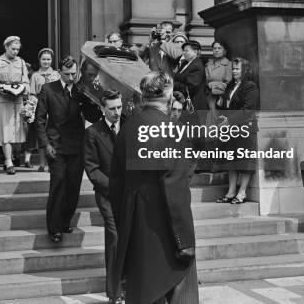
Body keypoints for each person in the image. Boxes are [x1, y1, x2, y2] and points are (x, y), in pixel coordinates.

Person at [110, 72, 198, 304]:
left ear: (143, 96)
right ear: (169, 96)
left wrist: (125, 222)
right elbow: (175, 189)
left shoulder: (126, 129)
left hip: (133, 225)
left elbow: (116, 183)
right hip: (166, 232)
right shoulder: (172, 129)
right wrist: (185, 240)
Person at [35, 55, 101, 242]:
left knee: (73, 187)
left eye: (74, 73)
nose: (71, 77)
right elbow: (39, 121)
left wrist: (95, 99)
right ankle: (54, 228)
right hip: (55, 146)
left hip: (77, 146)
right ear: (59, 72)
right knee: (58, 186)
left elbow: (92, 115)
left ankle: (65, 222)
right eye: (67, 74)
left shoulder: (81, 91)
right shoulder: (48, 89)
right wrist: (45, 144)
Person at [84, 90, 123, 304]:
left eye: (119, 107)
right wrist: (115, 187)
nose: (117, 112)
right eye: (112, 109)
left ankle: (128, 285)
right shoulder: (92, 133)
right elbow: (92, 170)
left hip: (131, 195)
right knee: (115, 238)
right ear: (102, 109)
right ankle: (114, 293)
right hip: (107, 196)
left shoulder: (129, 127)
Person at [215, 57, 259, 204]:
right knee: (231, 161)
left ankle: (241, 193)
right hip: (231, 129)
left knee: (245, 162)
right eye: (233, 69)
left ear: (244, 70)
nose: (234, 71)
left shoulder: (250, 86)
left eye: (237, 69)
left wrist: (229, 121)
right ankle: (230, 192)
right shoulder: (230, 86)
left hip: (245, 128)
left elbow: (248, 109)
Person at [0, 36, 30, 175]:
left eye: (18, 49)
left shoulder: (21, 62)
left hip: (16, 100)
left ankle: (9, 159)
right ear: (6, 47)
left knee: (15, 131)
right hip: (3, 99)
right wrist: (1, 89)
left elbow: (26, 82)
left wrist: (23, 89)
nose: (15, 52)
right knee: (6, 130)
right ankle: (8, 161)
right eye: (13, 49)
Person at [28, 48, 60, 172]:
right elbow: (31, 93)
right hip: (40, 108)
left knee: (54, 137)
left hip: (54, 109)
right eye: (43, 59)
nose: (46, 62)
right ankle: (42, 164)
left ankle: (53, 163)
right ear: (39, 60)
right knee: (41, 136)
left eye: (48, 59)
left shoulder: (56, 74)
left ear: (51, 60)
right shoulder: (35, 76)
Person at [205, 40, 232, 127]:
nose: (216, 50)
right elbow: (206, 81)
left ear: (224, 51)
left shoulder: (228, 65)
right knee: (210, 123)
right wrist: (210, 84)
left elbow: (229, 82)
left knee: (220, 122)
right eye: (214, 48)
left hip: (222, 98)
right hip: (209, 98)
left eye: (219, 48)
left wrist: (213, 84)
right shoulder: (208, 64)